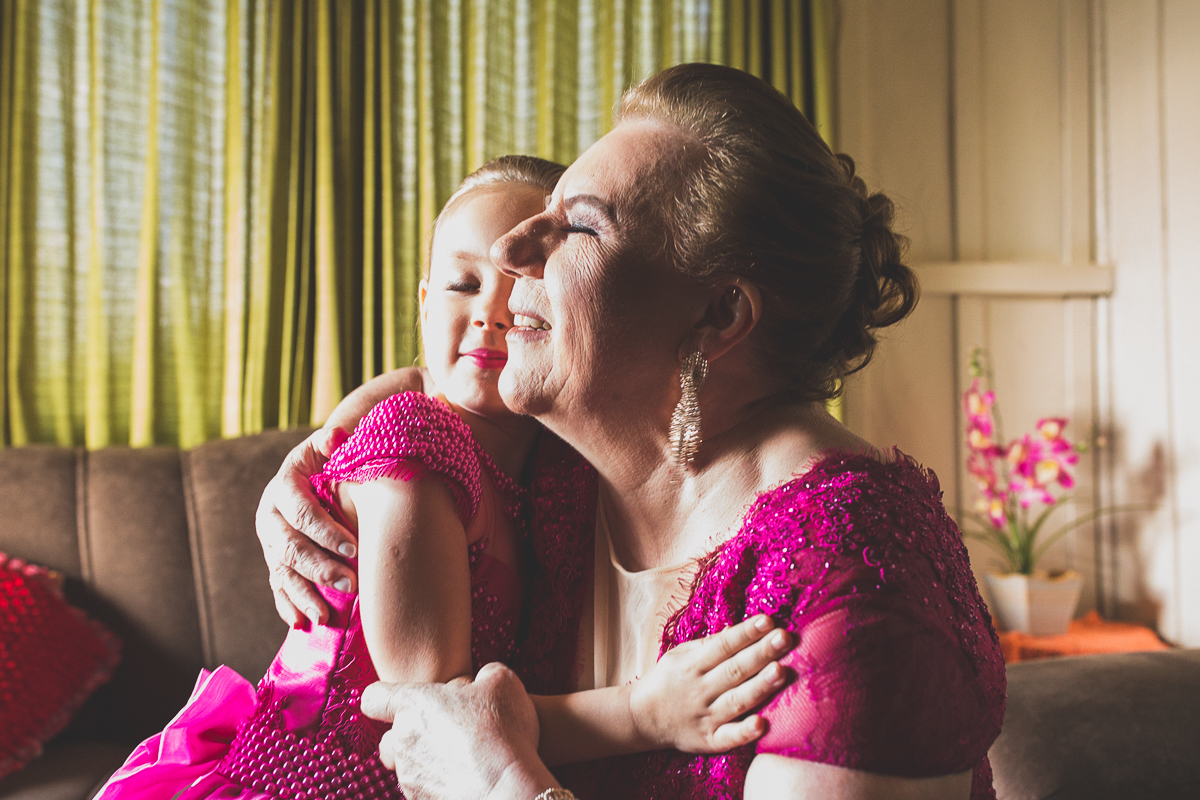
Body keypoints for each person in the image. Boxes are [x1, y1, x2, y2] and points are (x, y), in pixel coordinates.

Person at [260, 64, 1007, 800]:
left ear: (720, 315)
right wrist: (319, 453)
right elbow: (429, 393)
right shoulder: (568, 471)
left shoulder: (856, 593)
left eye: (579, 226)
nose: (511, 252)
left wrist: (495, 784)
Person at [95, 156, 791, 800]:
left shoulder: (552, 468)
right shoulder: (413, 447)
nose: (491, 311)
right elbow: (436, 723)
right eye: (464, 284)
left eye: (525, 286)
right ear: (425, 305)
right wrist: (645, 713)